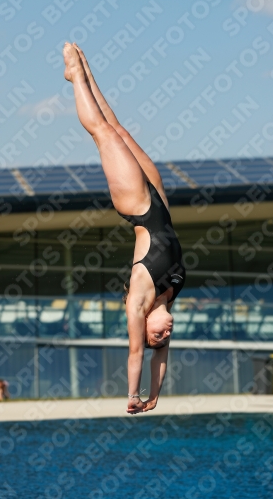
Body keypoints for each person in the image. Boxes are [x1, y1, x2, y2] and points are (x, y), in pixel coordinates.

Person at [63, 43, 186, 414]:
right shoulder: (168, 298)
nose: (163, 335)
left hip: (138, 206)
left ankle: (74, 76)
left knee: (103, 133)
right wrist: (156, 397)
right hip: (160, 202)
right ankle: (82, 71)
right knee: (119, 129)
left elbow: (137, 354)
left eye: (155, 336)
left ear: (144, 325)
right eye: (164, 337)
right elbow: (158, 360)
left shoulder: (138, 303)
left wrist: (133, 397)